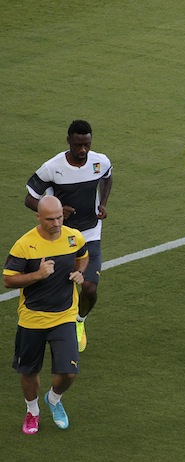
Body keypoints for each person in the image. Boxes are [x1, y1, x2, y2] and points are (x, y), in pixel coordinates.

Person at [24, 120, 112, 353]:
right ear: (68, 141)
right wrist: (54, 210)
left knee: (90, 289)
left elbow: (107, 177)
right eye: (77, 145)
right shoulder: (52, 167)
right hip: (59, 237)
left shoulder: (99, 161)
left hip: (90, 234)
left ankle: (79, 322)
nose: (82, 150)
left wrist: (102, 203)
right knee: (54, 287)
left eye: (86, 145)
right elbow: (30, 197)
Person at [4, 196, 88, 435]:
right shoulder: (24, 245)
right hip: (32, 318)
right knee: (28, 372)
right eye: (50, 219)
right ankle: (32, 411)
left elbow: (83, 255)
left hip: (64, 315)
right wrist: (37, 275)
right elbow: (8, 279)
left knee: (69, 372)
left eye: (60, 217)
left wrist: (79, 273)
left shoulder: (73, 237)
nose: (57, 223)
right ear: (38, 217)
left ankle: (53, 399)